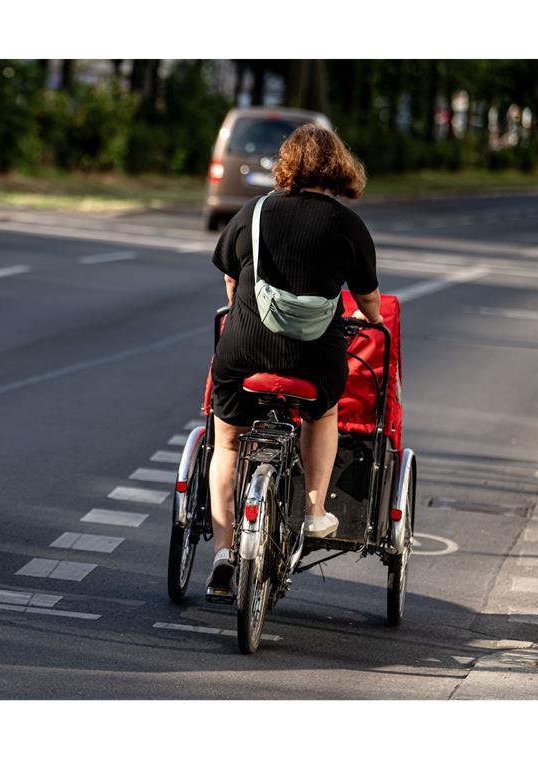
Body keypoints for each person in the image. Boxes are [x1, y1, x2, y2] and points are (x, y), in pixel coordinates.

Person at [206, 123, 382, 597]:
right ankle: (315, 510)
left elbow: (229, 281)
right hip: (313, 360)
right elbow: (367, 303)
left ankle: (223, 551)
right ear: (338, 168)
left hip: (243, 350)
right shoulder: (347, 225)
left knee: (225, 443)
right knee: (323, 412)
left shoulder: (254, 212)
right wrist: (368, 315)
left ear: (288, 165)